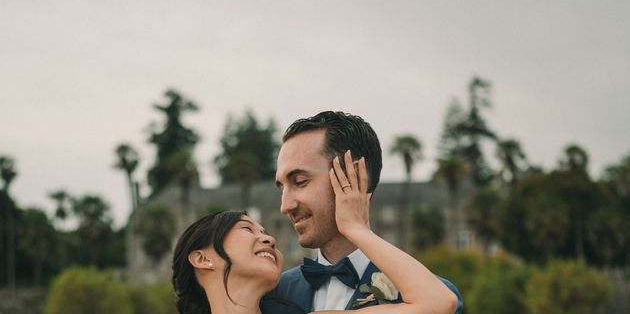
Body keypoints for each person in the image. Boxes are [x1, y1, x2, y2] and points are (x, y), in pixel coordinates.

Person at [173, 150, 459, 314]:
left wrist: (357, 229)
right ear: (201, 258)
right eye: (247, 228)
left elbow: (440, 302)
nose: (269, 237)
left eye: (300, 181)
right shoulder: (284, 293)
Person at [261, 111, 463, 313]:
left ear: (354, 176)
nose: (285, 206)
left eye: (300, 182)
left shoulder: (431, 295)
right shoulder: (272, 294)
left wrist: (356, 229)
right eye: (282, 188)